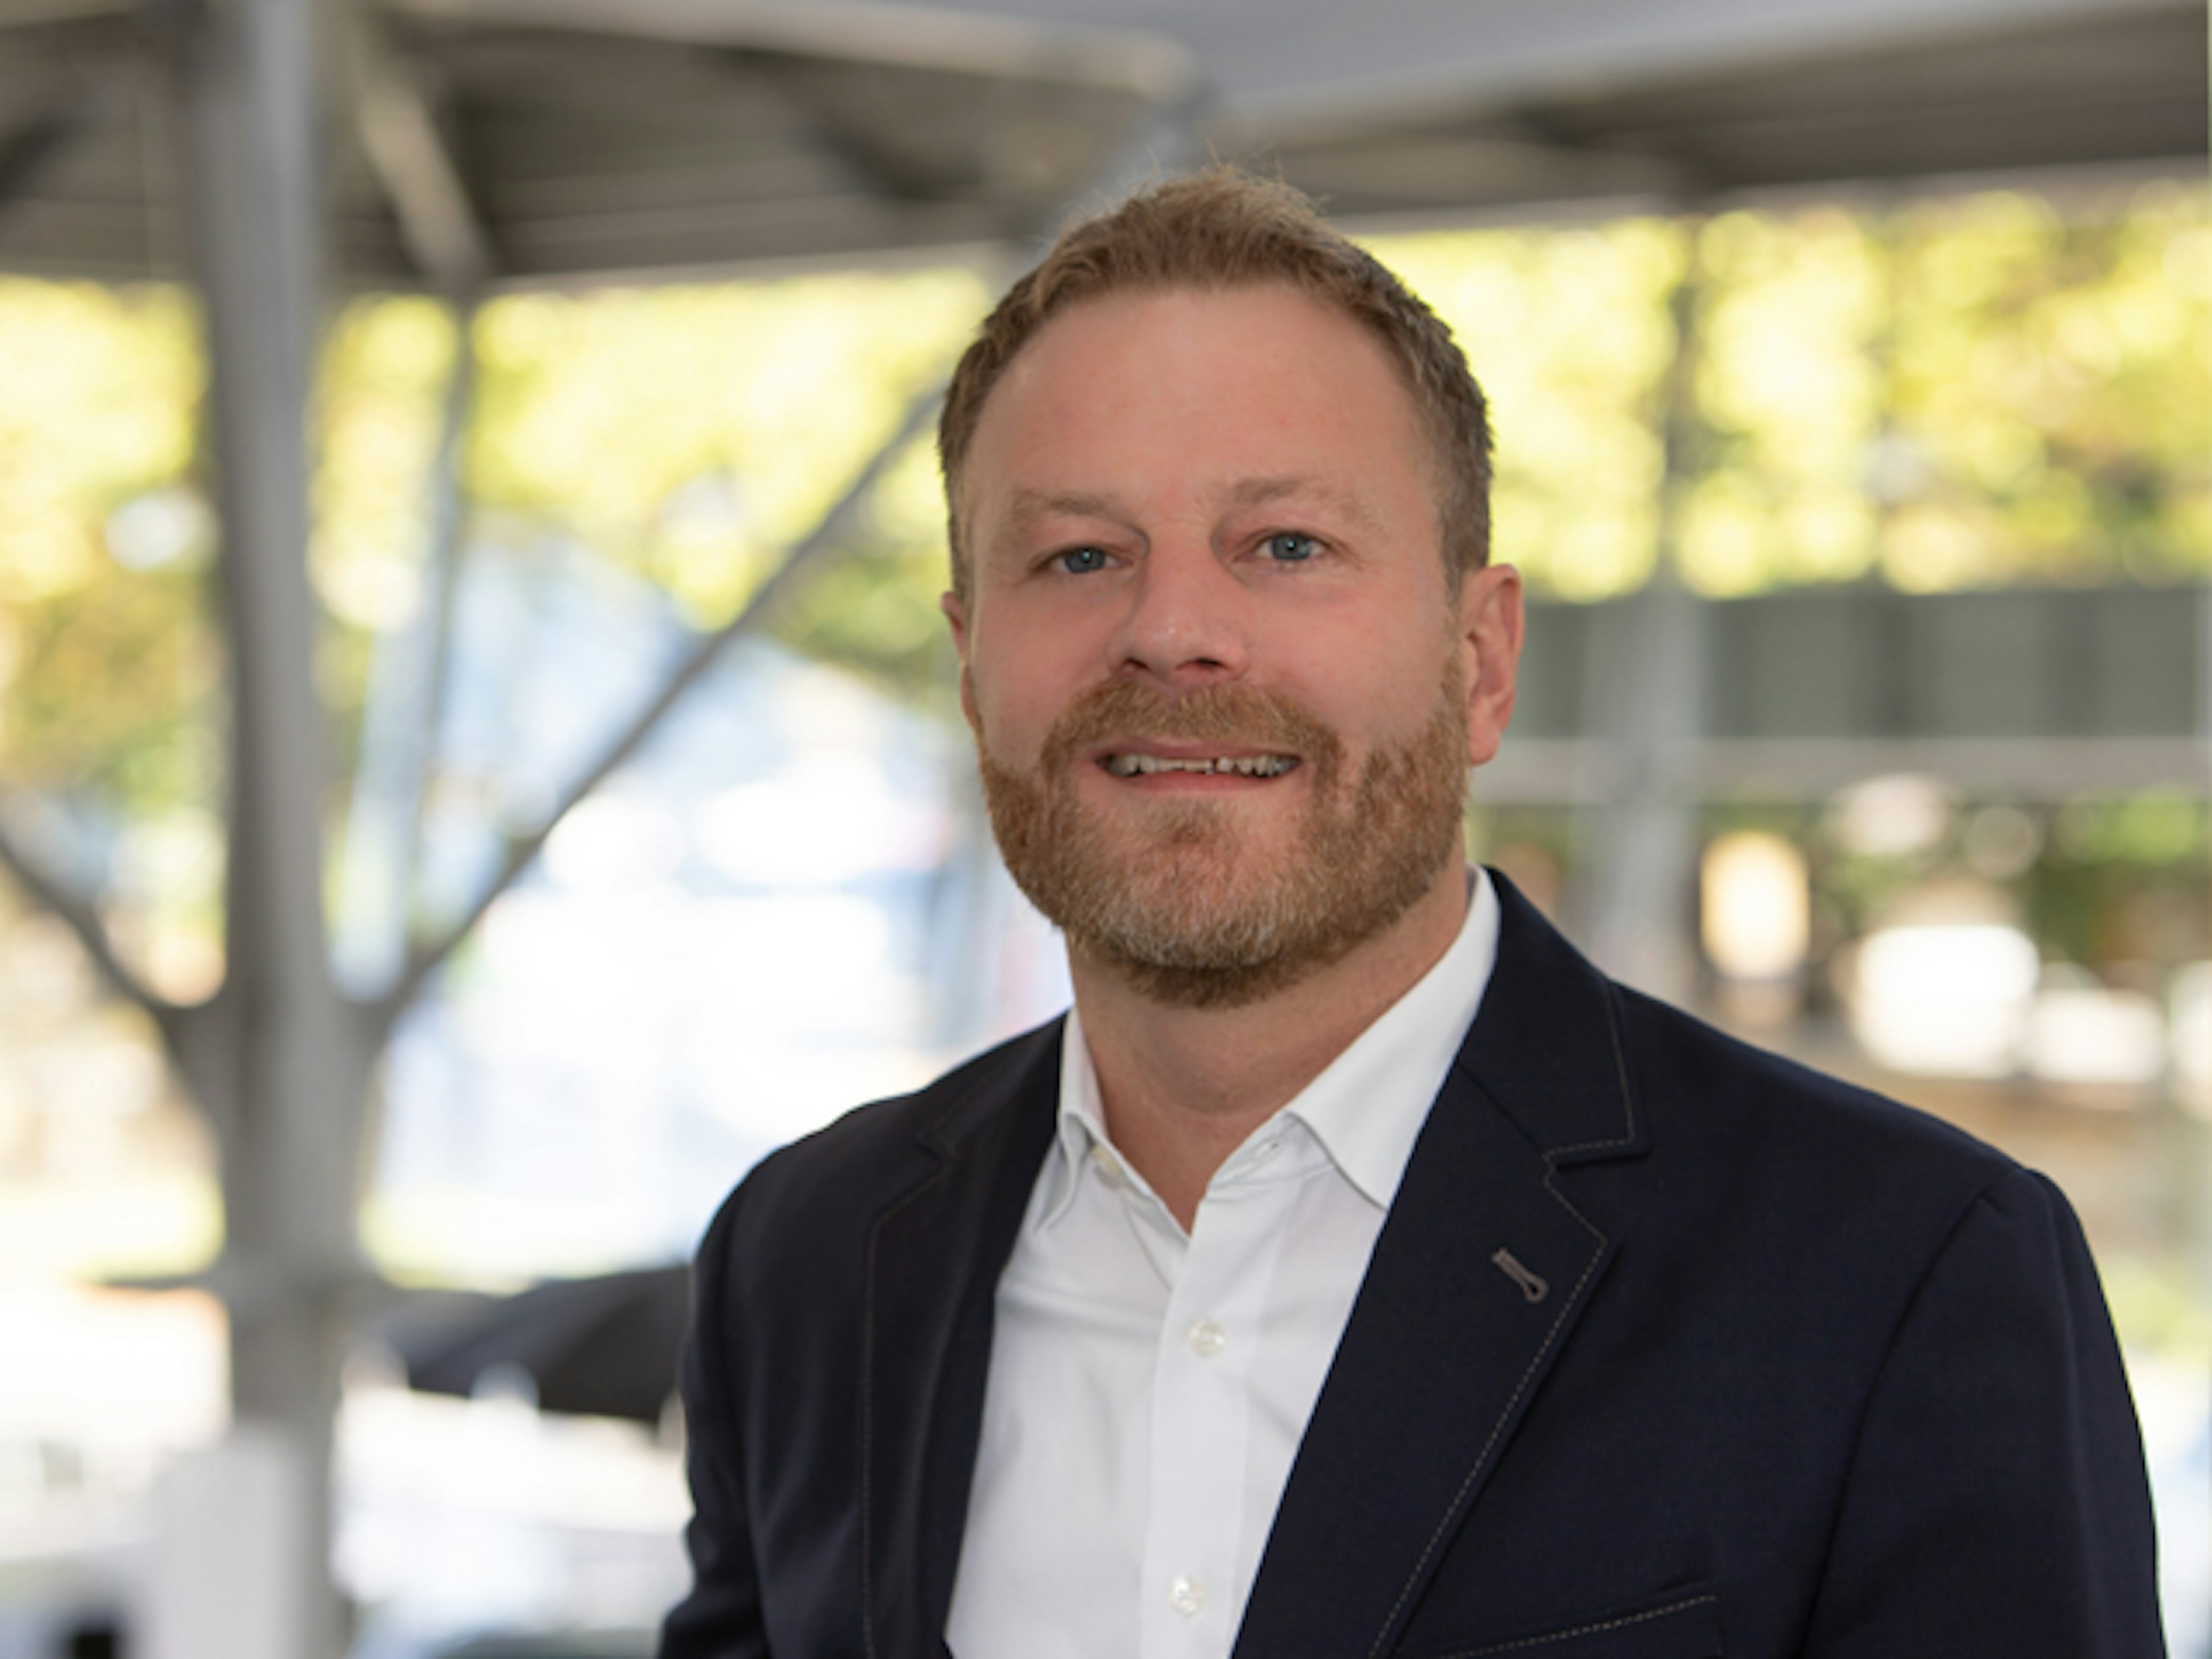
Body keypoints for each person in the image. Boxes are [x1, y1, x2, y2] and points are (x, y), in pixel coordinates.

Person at [658, 168, 2164, 1659]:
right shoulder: (806, 1264)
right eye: (1079, 556)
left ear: (1481, 661)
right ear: (970, 663)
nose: (1172, 630)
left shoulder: (1900, 1273)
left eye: (1287, 545)